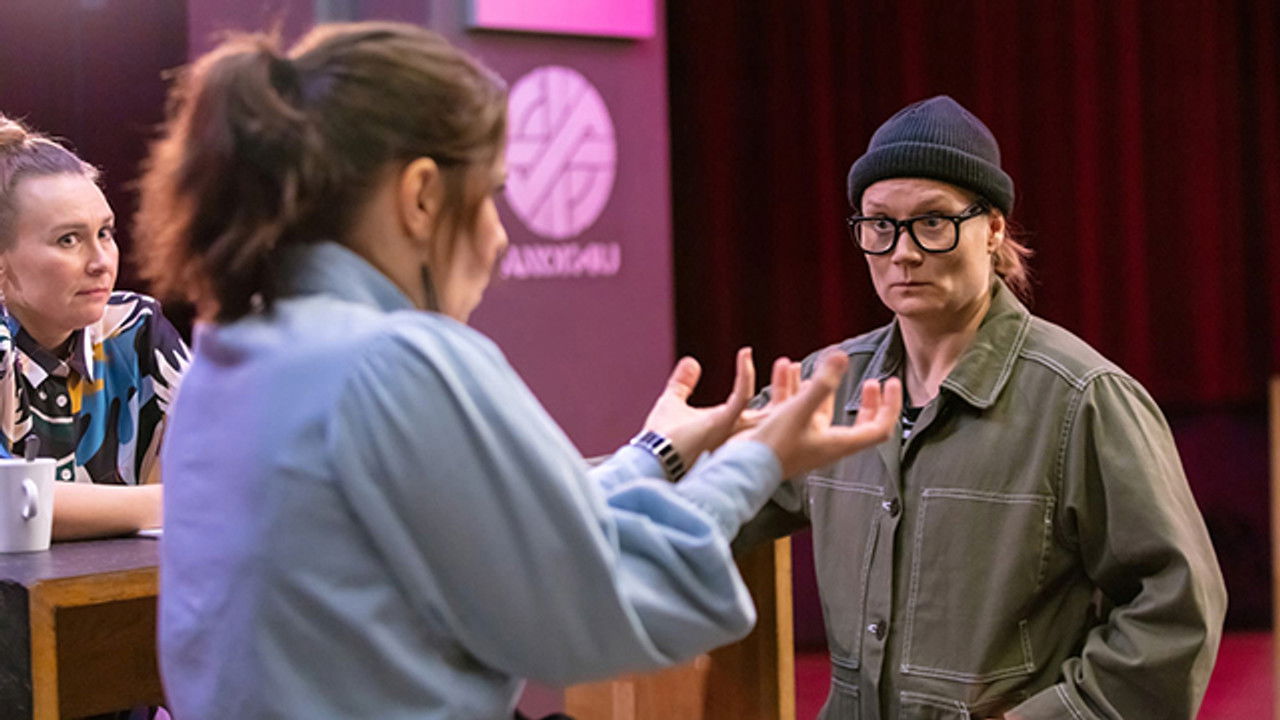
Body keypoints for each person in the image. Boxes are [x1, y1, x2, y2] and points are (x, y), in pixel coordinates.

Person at [134, 23, 903, 719]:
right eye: (493, 195)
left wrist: (657, 454)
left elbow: (504, 541)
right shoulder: (396, 361)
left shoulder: (232, 355)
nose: (500, 238)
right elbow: (596, 608)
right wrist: (755, 461)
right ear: (422, 195)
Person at [735, 95, 1227, 719]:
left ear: (993, 229)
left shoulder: (1081, 399)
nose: (902, 252)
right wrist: (644, 463)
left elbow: (1176, 612)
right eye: (879, 224)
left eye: (933, 222)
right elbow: (699, 505)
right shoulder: (825, 389)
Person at [0, 115, 189, 540]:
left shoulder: (136, 329)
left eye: (105, 233)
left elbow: (231, 474)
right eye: (68, 239)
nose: (101, 261)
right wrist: (172, 502)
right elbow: (7, 505)